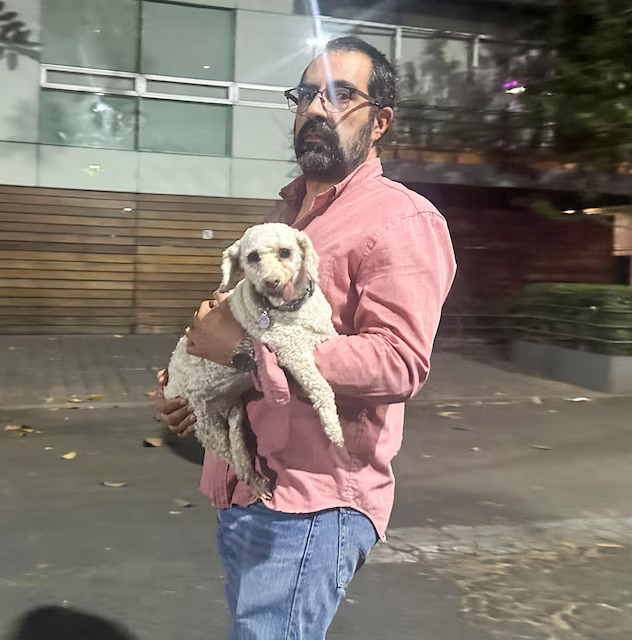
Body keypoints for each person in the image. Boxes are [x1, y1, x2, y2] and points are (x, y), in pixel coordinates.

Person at [155, 36, 456, 639]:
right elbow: (243, 327)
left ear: (380, 122)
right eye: (308, 94)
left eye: (342, 95)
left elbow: (399, 364)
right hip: (246, 486)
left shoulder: (402, 221)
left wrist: (243, 352)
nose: (318, 108)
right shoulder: (286, 217)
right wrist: (197, 387)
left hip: (313, 503)